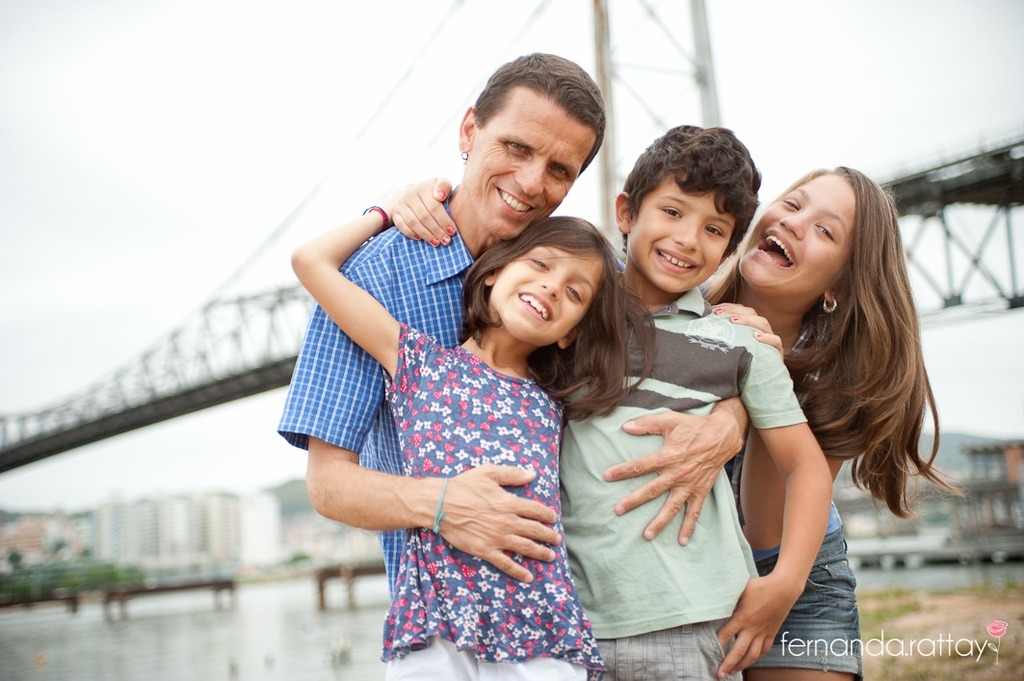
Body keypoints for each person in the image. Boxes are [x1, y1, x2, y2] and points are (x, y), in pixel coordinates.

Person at [279, 52, 745, 597]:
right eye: (516, 148)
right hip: (442, 618)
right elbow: (329, 484)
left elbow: (715, 357)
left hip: (593, 613)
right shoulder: (373, 274)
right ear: (470, 129)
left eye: (559, 170)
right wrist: (446, 504)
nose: (529, 183)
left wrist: (729, 423)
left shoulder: (593, 284)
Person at [393, 126, 834, 681]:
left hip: (687, 619)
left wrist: (787, 582)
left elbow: (806, 466)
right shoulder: (567, 326)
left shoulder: (740, 343)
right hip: (564, 625)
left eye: (714, 229)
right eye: (672, 212)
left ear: (729, 247)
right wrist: (402, 205)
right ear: (626, 211)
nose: (688, 239)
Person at [292, 211, 652, 679]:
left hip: (539, 625)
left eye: (574, 292)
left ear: (570, 334)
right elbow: (310, 261)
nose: (550, 287)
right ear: (493, 273)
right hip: (434, 624)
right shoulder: (417, 362)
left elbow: (670, 307)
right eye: (540, 265)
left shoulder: (562, 400)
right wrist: (385, 213)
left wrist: (737, 319)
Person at [706, 167, 957, 680]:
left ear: (838, 284)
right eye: (794, 205)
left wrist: (764, 378)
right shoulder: (679, 302)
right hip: (687, 570)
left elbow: (764, 533)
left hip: (794, 581)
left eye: (826, 230)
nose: (795, 223)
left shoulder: (837, 376)